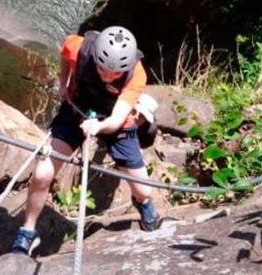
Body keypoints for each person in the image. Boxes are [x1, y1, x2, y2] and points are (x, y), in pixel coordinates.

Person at [11, 26, 160, 256]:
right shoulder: (80, 47)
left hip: (113, 120)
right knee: (42, 173)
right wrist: (64, 82)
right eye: (102, 68)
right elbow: (64, 51)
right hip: (76, 110)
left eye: (114, 73)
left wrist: (99, 126)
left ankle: (142, 202)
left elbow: (117, 119)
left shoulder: (136, 74)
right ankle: (28, 230)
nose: (107, 76)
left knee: (144, 190)